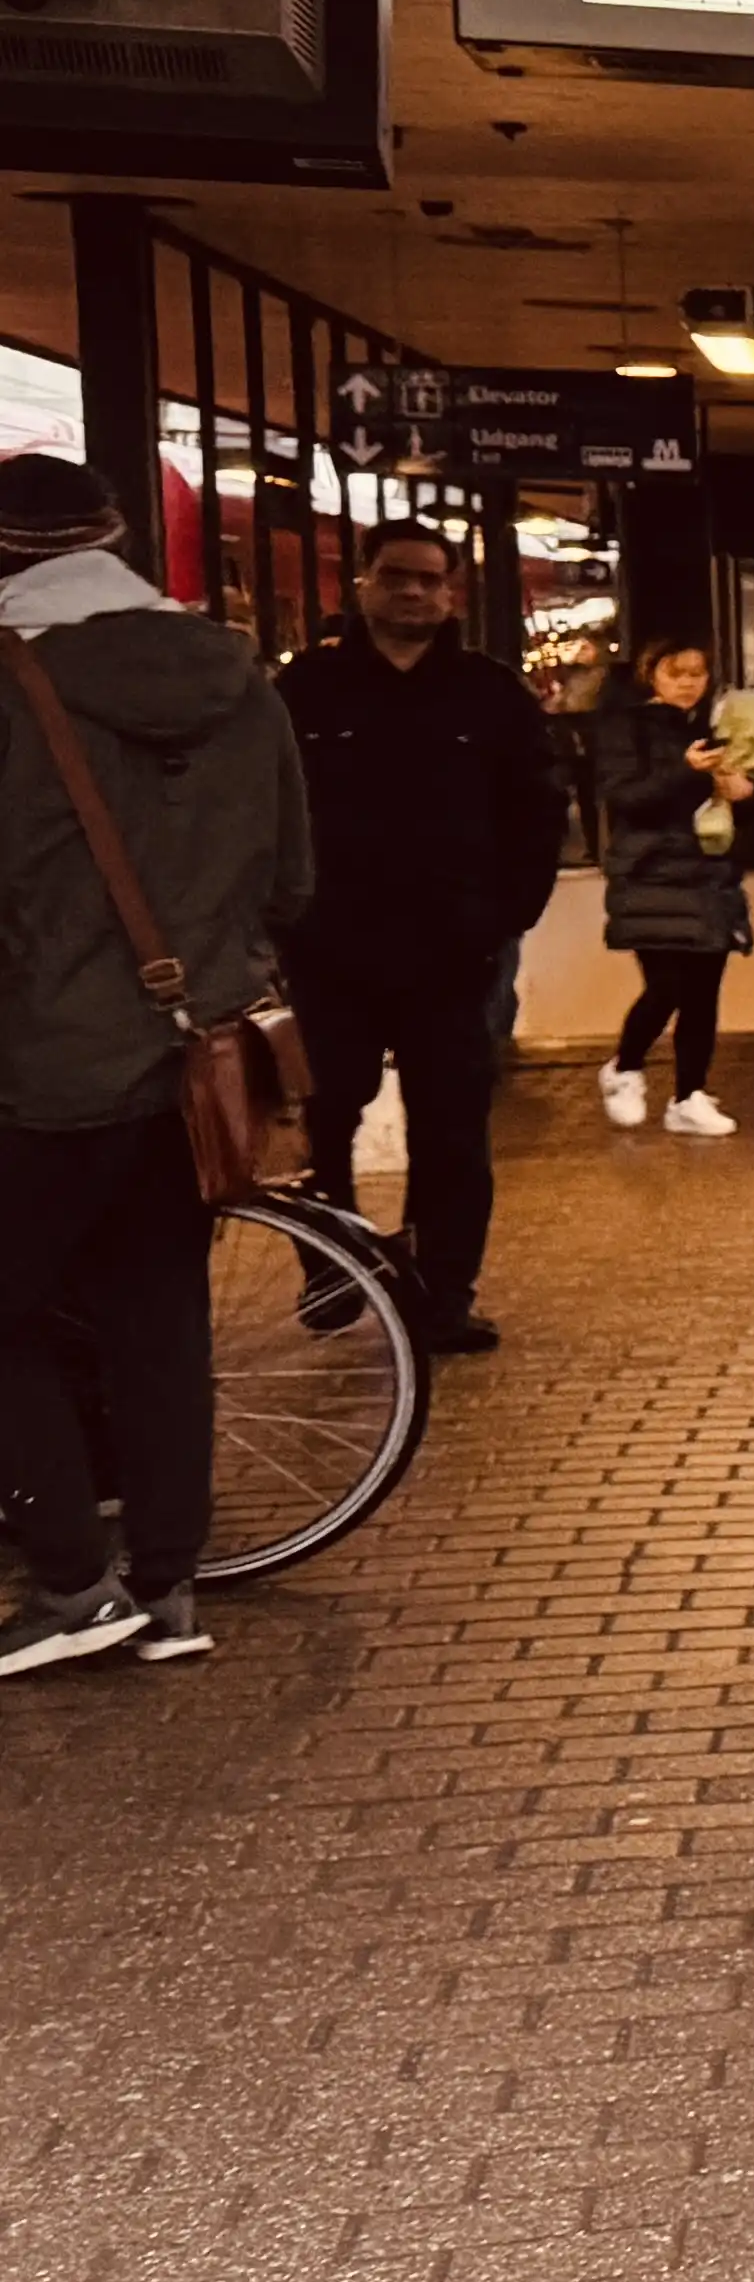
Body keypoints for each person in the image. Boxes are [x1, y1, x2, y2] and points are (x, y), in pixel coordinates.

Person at [0, 452, 314, 1673]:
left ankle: (72, 1580)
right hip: (201, 1057)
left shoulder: (12, 681)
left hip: (48, 1064)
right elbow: (293, 880)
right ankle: (167, 1589)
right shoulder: (241, 679)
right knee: (158, 1317)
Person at [278, 524, 566, 1352]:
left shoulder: (490, 695)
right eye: (394, 576)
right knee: (324, 1119)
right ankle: (331, 1267)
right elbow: (265, 804)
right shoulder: (309, 689)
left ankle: (444, 1295)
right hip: (331, 949)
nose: (411, 592)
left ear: (452, 595)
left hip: (451, 954)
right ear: (359, 585)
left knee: (452, 1131)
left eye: (428, 580)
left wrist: (509, 914)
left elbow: (538, 810)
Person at [591, 642, 754, 1134]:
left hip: (709, 876)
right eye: (675, 672)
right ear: (650, 675)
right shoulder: (627, 727)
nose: (687, 682)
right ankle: (625, 1067)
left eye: (698, 672)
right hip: (652, 877)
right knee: (667, 987)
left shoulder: (720, 728)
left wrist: (748, 793)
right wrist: (686, 772)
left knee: (704, 993)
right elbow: (626, 798)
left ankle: (690, 1096)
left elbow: (752, 804)